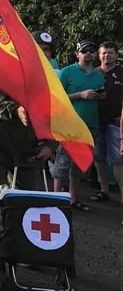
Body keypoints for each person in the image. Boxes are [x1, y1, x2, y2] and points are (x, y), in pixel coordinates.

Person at [0, 83, 56, 280]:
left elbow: (60, 111)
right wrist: (15, 109)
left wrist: (51, 145)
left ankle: (21, 252)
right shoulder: (2, 66)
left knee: (28, 201)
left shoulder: (43, 75)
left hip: (28, 148)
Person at [50, 39, 104, 212]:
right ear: (77, 54)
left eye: (91, 51)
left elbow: (100, 94)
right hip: (69, 125)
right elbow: (57, 97)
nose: (88, 54)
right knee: (62, 164)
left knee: (81, 165)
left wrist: (101, 96)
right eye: (84, 51)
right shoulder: (67, 72)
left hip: (90, 126)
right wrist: (80, 94)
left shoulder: (98, 74)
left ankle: (73, 199)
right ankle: (56, 199)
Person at [92, 41, 123, 203]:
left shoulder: (122, 73)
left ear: (116, 55)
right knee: (99, 158)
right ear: (99, 55)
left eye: (110, 52)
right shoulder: (93, 73)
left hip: (116, 123)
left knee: (118, 160)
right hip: (96, 122)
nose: (107, 55)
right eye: (104, 52)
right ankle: (104, 190)